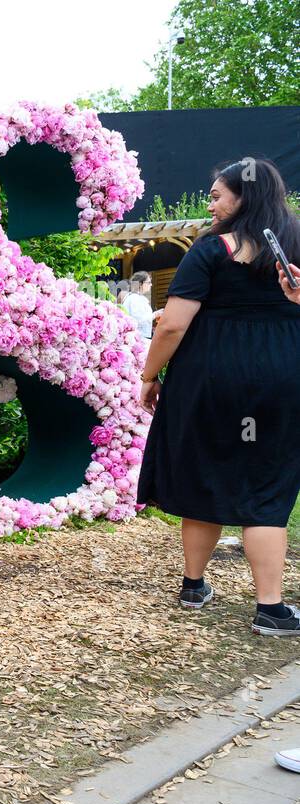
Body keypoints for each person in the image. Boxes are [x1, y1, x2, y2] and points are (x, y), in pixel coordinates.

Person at [136, 158, 300, 636]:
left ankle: (193, 585)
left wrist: (149, 375)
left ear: (241, 199)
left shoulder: (209, 251)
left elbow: (172, 323)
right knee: (267, 491)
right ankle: (270, 607)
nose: (210, 205)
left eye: (216, 196)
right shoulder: (294, 245)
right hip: (281, 378)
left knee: (206, 475)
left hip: (209, 379)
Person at [120, 270, 154, 338]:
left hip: (140, 336)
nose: (151, 285)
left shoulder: (137, 297)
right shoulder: (134, 298)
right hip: (138, 337)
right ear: (141, 284)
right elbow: (138, 320)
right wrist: (155, 314)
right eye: (149, 282)